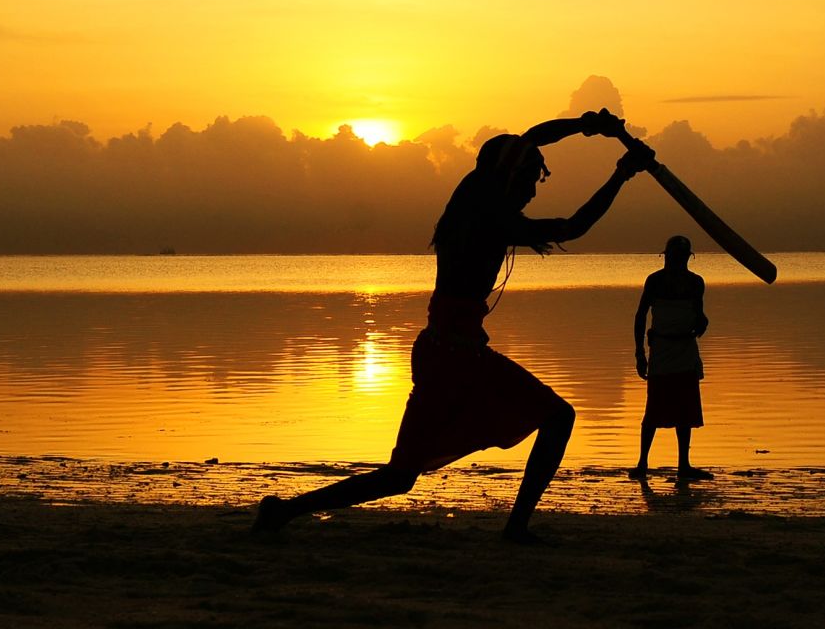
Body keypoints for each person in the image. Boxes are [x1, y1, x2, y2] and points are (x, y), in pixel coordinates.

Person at [254, 108, 656, 542]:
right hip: (456, 358)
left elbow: (530, 136)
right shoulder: (489, 217)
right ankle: (516, 529)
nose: (531, 191)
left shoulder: (471, 197)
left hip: (444, 351)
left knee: (400, 476)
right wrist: (621, 174)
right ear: (509, 175)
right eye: (529, 180)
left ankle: (284, 511)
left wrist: (586, 125)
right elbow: (572, 227)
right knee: (557, 418)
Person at [628, 235, 713, 481]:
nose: (676, 262)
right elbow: (640, 315)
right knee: (653, 409)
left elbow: (699, 314)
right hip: (662, 350)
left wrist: (703, 322)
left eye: (680, 258)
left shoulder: (695, 283)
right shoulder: (655, 281)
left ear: (686, 258)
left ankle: (683, 465)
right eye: (674, 257)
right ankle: (642, 464)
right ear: (667, 257)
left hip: (685, 349)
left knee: (686, 410)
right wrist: (639, 353)